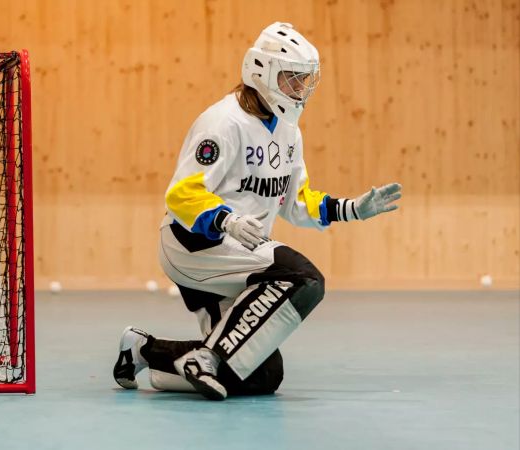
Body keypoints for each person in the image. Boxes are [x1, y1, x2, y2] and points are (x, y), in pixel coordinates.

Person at [112, 22, 402, 400]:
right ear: (260, 72)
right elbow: (182, 194)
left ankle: (144, 351)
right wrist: (226, 220)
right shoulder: (223, 123)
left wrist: (350, 209)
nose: (300, 90)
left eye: (304, 81)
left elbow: (296, 201)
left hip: (240, 255)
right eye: (292, 79)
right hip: (195, 247)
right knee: (303, 277)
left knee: (260, 375)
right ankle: (206, 359)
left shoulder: (288, 132)